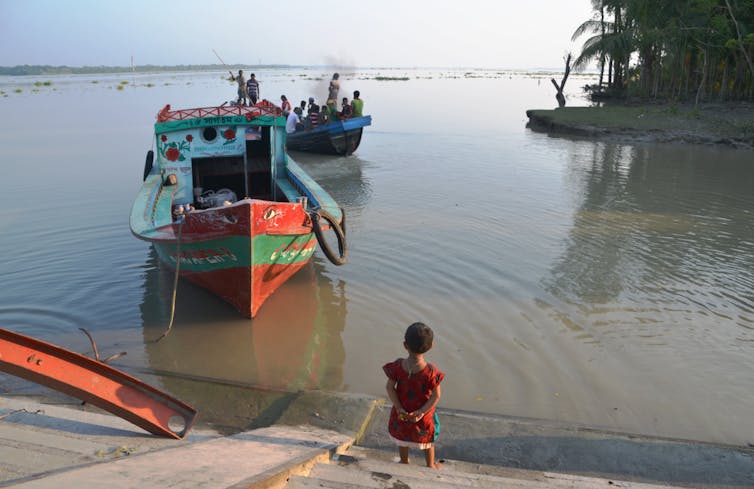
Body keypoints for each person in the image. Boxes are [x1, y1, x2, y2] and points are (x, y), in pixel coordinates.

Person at [383, 322, 445, 469]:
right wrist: (421, 412)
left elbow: (389, 387)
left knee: (402, 438)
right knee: (427, 441)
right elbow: (436, 396)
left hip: (402, 413)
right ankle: (430, 465)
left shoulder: (398, 366)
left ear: (405, 345)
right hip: (423, 416)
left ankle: (404, 461)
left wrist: (398, 407)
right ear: (431, 346)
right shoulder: (431, 372)